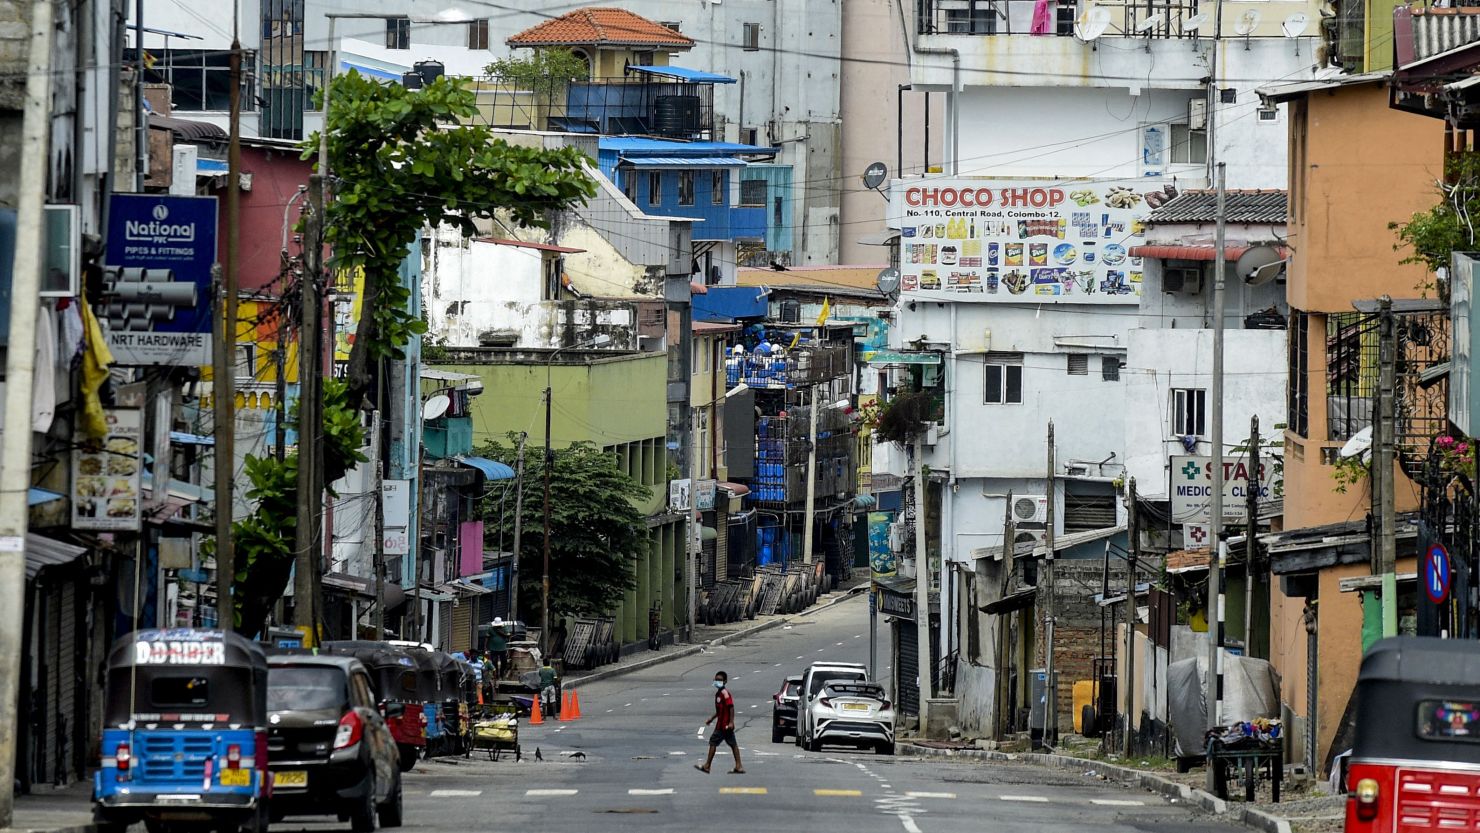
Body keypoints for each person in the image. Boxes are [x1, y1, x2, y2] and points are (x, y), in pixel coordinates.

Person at [695, 671, 744, 774]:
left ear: (725, 681)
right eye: (716, 679)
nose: (717, 681)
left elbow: (731, 707)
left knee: (713, 742)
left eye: (720, 680)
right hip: (721, 724)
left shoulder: (725, 694)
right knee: (733, 744)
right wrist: (711, 719)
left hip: (724, 725)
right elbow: (719, 711)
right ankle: (738, 766)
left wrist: (731, 722)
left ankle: (707, 766)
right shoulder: (718, 693)